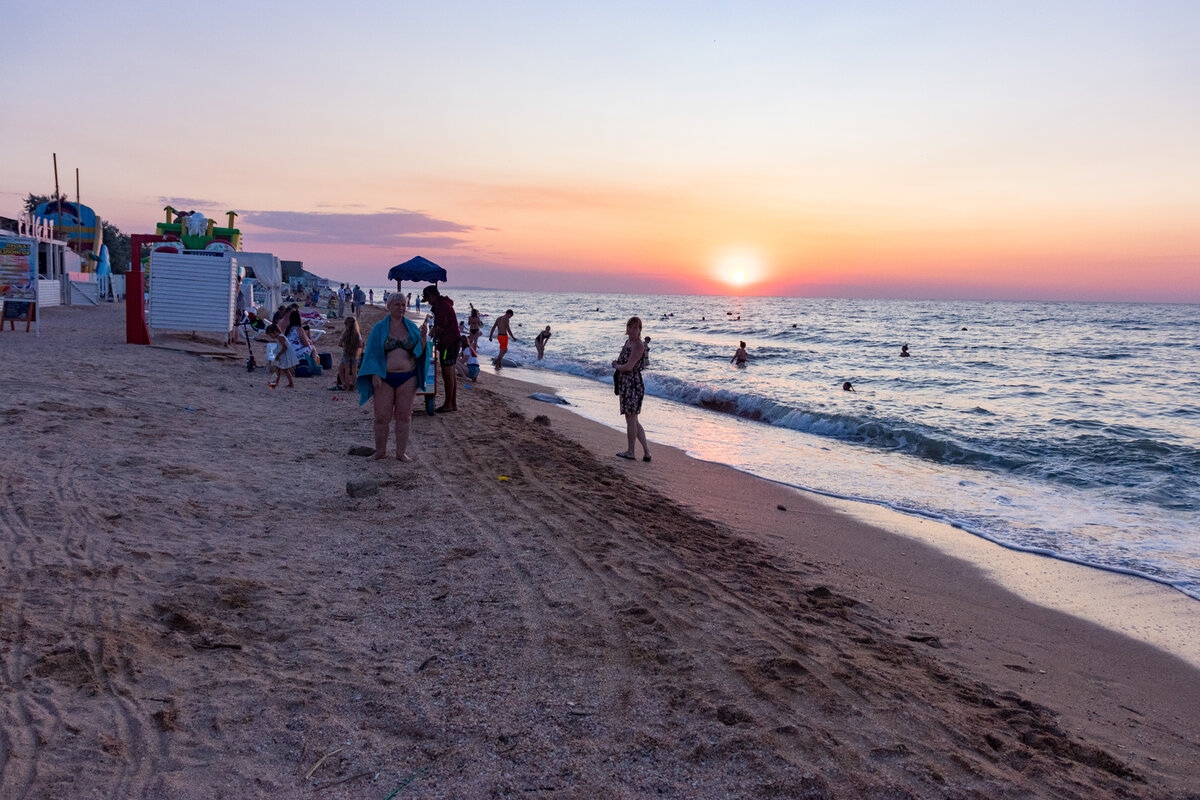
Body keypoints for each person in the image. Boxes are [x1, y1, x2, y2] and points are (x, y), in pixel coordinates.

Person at [357, 294, 427, 461]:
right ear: (388, 306)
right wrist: (374, 373)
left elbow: (419, 352)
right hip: (384, 377)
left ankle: (400, 453)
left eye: (403, 304)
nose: (401, 307)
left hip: (408, 377)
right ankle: (380, 451)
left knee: (404, 416)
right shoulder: (379, 328)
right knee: (381, 417)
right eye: (397, 304)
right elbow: (372, 353)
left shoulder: (411, 327)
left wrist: (423, 338)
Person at [612, 316, 652, 462]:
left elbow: (629, 367)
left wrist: (617, 366)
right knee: (633, 419)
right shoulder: (628, 342)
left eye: (636, 327)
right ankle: (647, 452)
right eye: (630, 327)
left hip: (633, 384)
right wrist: (617, 364)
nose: (632, 330)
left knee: (631, 419)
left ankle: (630, 452)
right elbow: (625, 363)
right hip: (625, 383)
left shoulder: (639, 346)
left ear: (640, 329)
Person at [423, 284, 460, 412]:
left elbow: (442, 326)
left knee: (447, 373)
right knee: (451, 373)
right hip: (453, 342)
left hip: (449, 344)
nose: (428, 302)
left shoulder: (442, 306)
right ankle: (453, 403)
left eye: (428, 299)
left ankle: (448, 404)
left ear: (433, 296)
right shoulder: (442, 304)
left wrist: (432, 334)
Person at [265, 323, 298, 388]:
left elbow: (285, 347)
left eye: (270, 334)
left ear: (274, 332)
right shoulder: (279, 337)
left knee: (285, 370)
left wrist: (278, 355)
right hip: (283, 355)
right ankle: (276, 382)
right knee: (278, 369)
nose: (271, 336)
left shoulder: (280, 337)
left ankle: (291, 383)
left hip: (284, 355)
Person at [336, 317, 362, 391]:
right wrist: (354, 346)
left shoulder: (345, 334)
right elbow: (360, 345)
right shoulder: (357, 334)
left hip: (346, 353)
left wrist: (346, 345)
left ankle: (347, 387)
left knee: (347, 370)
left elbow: (339, 344)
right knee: (354, 371)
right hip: (355, 354)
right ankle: (354, 387)